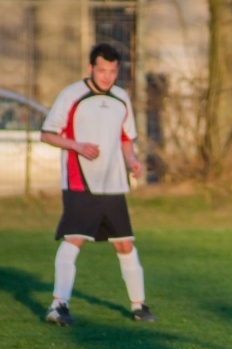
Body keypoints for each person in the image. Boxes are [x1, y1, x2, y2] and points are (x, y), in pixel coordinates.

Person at [41, 43, 156, 326]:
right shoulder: (71, 95)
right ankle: (58, 306)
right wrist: (77, 145)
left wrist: (132, 161)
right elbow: (47, 134)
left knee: (125, 244)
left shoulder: (121, 98)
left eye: (112, 71)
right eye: (102, 70)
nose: (107, 76)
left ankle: (139, 306)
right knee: (74, 238)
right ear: (90, 68)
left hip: (114, 184)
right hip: (81, 182)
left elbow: (126, 137)